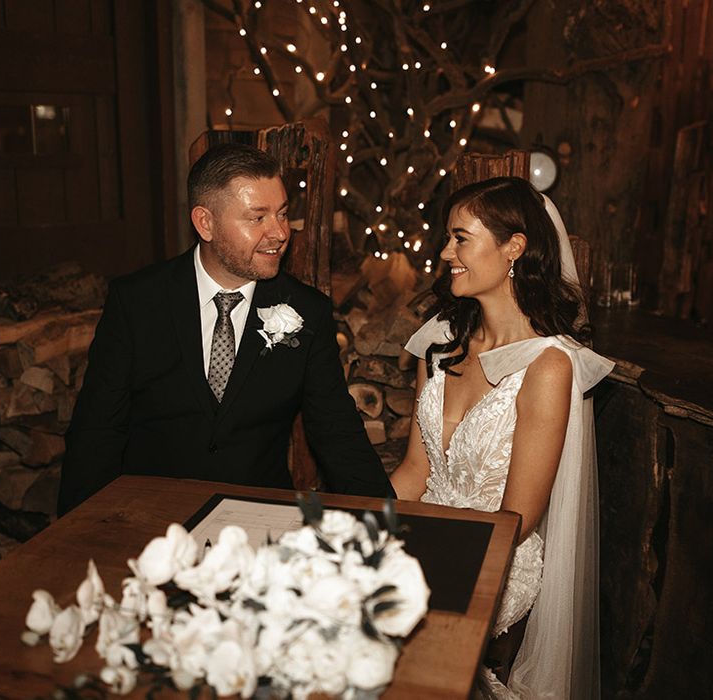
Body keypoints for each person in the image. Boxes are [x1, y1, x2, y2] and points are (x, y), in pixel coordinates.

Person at [58, 143, 393, 515]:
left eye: (282, 214)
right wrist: (79, 534)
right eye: (257, 217)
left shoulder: (307, 311)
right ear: (206, 223)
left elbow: (338, 433)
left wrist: (389, 527)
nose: (280, 233)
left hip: (260, 520)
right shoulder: (137, 302)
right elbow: (97, 433)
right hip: (152, 519)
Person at [390, 177, 613, 699]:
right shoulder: (441, 342)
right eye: (447, 238)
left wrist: (423, 562)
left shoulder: (548, 365)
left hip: (495, 555)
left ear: (514, 247)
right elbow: (414, 473)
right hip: (424, 535)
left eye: (460, 238)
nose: (446, 253)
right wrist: (362, 529)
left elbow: (517, 517)